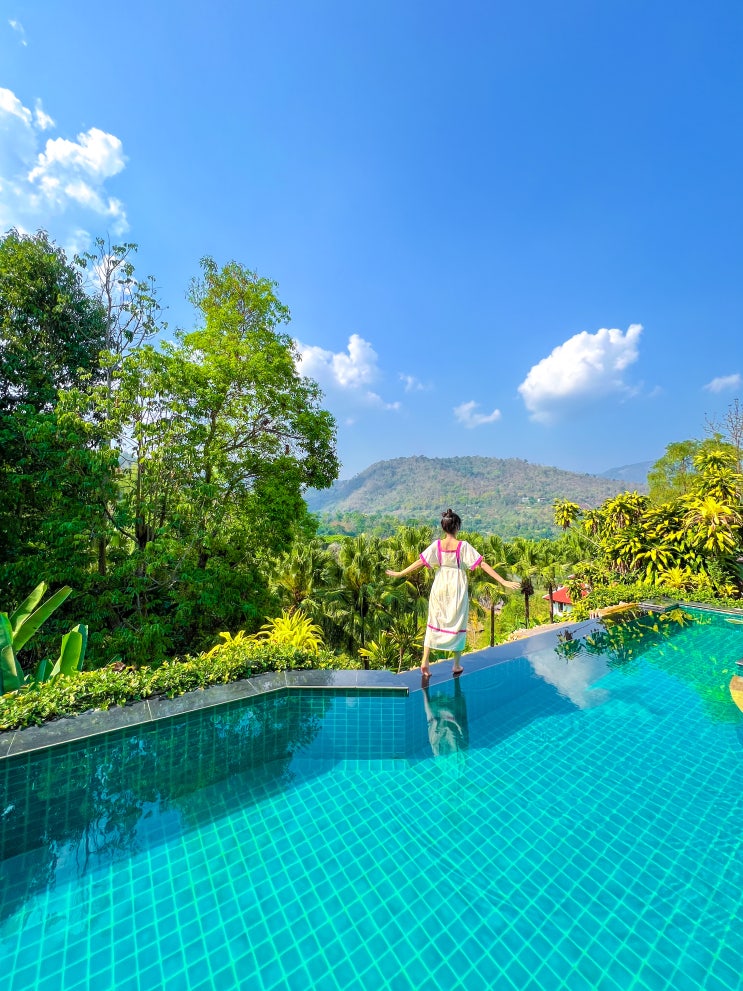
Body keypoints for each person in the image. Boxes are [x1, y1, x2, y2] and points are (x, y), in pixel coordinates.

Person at [385, 509, 519, 677]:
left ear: (444, 527)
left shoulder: (437, 545)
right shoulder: (463, 546)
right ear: (457, 527)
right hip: (457, 586)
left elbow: (420, 561)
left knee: (434, 620)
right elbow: (482, 564)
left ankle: (425, 661)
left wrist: (400, 573)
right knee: (458, 623)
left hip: (440, 585)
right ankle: (456, 665)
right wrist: (503, 581)